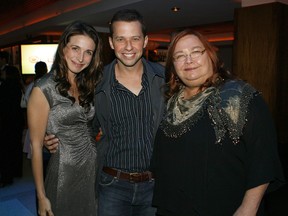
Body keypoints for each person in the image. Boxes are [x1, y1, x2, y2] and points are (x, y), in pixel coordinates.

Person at [149, 29, 285, 216]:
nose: (188, 60)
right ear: (173, 65)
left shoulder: (239, 96)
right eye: (180, 56)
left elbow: (262, 157)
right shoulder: (172, 102)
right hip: (173, 207)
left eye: (196, 52)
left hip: (225, 206)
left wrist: (248, 208)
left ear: (210, 55)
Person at [44, 9, 165, 216]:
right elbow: (85, 129)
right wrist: (56, 139)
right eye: (121, 39)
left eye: (135, 38)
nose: (128, 47)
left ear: (145, 41)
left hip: (155, 186)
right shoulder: (95, 83)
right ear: (111, 43)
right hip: (112, 185)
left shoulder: (165, 78)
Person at [27, 21, 102, 216]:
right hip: (64, 173)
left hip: (91, 171)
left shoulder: (87, 85)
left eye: (88, 52)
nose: (81, 57)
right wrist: (41, 197)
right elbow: (35, 147)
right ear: (63, 49)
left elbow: (89, 127)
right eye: (75, 48)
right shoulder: (43, 88)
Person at [0, 65, 25, 187]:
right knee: (15, 146)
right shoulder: (18, 85)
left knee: (5, 149)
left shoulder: (4, 86)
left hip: (5, 122)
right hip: (17, 121)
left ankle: (7, 177)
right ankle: (17, 171)